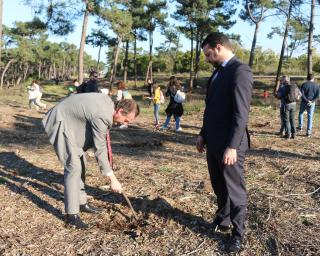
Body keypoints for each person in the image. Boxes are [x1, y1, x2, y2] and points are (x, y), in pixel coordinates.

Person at [42, 93, 140, 229]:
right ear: (120, 111)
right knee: (73, 167)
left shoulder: (109, 104)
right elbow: (100, 148)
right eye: (126, 120)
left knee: (81, 162)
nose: (125, 124)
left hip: (71, 122)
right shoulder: (103, 115)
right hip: (60, 120)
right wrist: (113, 179)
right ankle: (72, 215)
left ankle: (81, 203)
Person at [196, 32, 253, 253]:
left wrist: (232, 146)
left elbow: (241, 114)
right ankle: (223, 219)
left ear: (219, 47)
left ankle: (238, 235)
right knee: (219, 185)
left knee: (235, 190)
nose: (207, 58)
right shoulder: (217, 74)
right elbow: (210, 109)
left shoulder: (240, 71)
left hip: (231, 145)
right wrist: (202, 133)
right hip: (213, 140)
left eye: (209, 54)